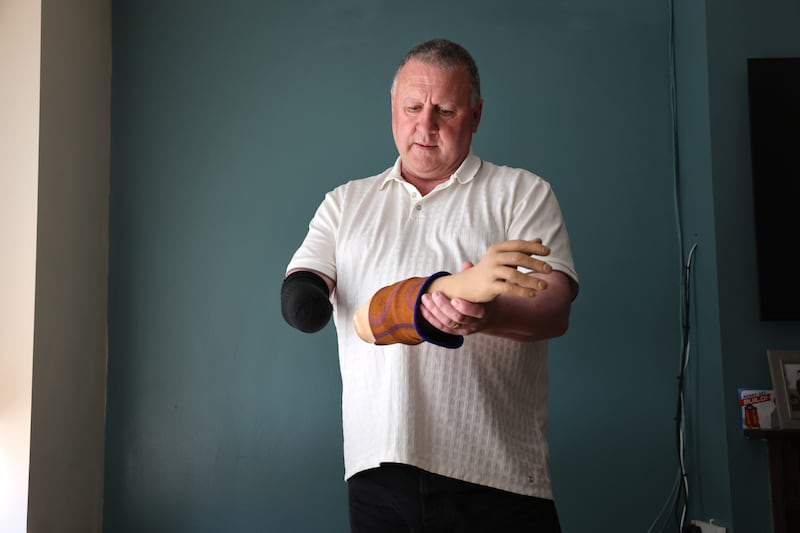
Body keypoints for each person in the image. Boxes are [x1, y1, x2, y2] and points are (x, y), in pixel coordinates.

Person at [281, 38, 579, 533]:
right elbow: (304, 284)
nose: (426, 125)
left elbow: (554, 308)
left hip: (497, 472)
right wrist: (306, 298)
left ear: (476, 115)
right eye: (413, 108)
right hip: (377, 470)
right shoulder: (344, 204)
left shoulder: (521, 192)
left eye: (446, 109)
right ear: (393, 111)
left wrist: (489, 315)